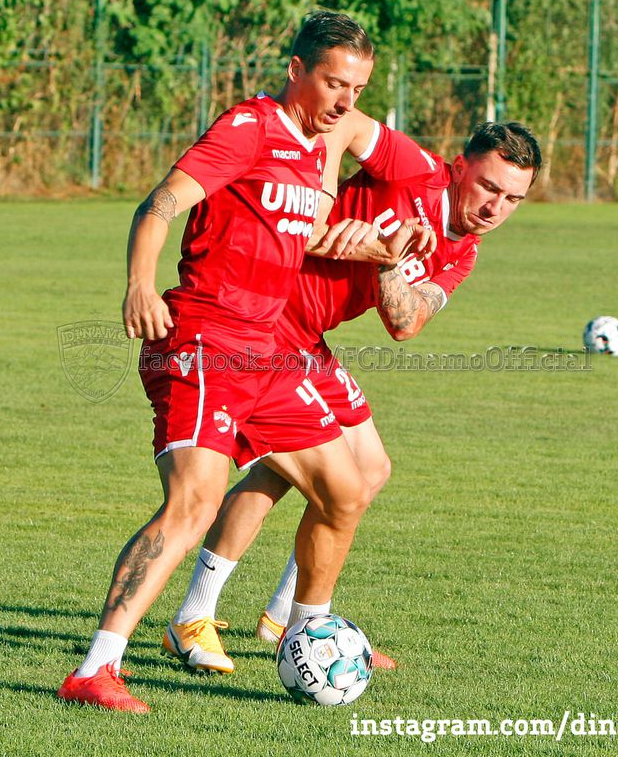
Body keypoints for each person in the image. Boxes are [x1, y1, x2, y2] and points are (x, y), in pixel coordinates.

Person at [56, 11, 434, 713]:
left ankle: (305, 633)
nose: (345, 102)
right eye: (333, 83)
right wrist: (139, 283)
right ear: (296, 71)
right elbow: (161, 202)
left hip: (269, 354)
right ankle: (96, 669)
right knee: (194, 502)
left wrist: (380, 250)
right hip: (206, 339)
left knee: (347, 491)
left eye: (357, 89)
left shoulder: (309, 152)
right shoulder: (250, 126)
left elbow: (303, 233)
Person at [163, 120, 542, 674]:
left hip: (306, 339)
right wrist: (320, 203)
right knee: (284, 473)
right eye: (488, 186)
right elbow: (338, 124)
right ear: (461, 167)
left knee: (368, 469)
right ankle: (198, 616)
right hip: (262, 321)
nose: (494, 208)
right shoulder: (411, 167)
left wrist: (387, 262)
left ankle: (286, 619)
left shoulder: (463, 253)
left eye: (512, 199)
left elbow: (406, 322)